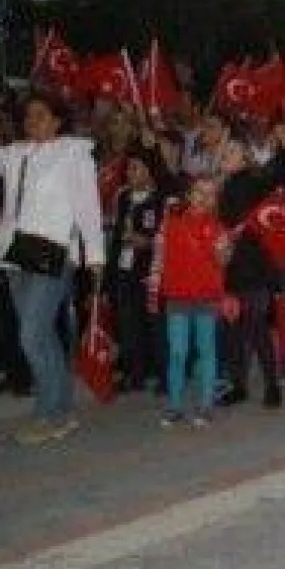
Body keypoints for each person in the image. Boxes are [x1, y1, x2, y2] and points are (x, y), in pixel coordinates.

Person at [0, 91, 106, 446]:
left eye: (40, 115)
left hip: (53, 253)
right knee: (42, 336)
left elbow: (88, 207)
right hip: (15, 255)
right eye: (28, 115)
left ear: (57, 121)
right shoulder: (16, 153)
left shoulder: (73, 154)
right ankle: (62, 410)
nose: (32, 121)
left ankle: (48, 414)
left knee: (31, 334)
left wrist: (95, 255)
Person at [150, 176, 232, 428]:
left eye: (211, 194)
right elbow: (159, 255)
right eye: (199, 192)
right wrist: (154, 283)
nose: (205, 198)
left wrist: (223, 251)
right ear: (189, 195)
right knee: (177, 353)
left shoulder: (218, 228)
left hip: (206, 297)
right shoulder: (171, 222)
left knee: (206, 351)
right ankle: (175, 406)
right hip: (177, 297)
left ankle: (205, 406)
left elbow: (223, 262)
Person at [216, 137, 285, 407]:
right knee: (234, 329)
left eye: (231, 150)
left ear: (244, 157)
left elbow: (276, 176)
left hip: (254, 268)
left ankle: (271, 385)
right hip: (232, 268)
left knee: (257, 328)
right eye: (224, 150)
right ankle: (239, 385)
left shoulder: (254, 182)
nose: (225, 154)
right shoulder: (225, 186)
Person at [105, 150, 168, 395]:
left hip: (150, 271)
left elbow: (166, 237)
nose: (130, 173)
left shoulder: (160, 201)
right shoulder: (123, 198)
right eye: (129, 168)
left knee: (155, 325)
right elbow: (117, 236)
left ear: (150, 172)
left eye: (136, 168)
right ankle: (134, 373)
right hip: (125, 268)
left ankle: (164, 375)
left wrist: (148, 242)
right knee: (129, 324)